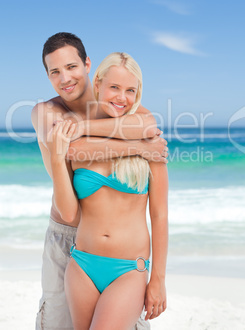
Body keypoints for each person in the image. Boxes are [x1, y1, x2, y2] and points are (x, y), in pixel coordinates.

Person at [31, 33, 168, 330]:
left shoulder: (123, 110)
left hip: (126, 259)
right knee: (56, 320)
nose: (65, 78)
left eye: (71, 67)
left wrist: (82, 127)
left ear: (87, 65)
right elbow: (72, 149)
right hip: (69, 238)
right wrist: (141, 147)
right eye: (55, 71)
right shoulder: (47, 112)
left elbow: (149, 124)